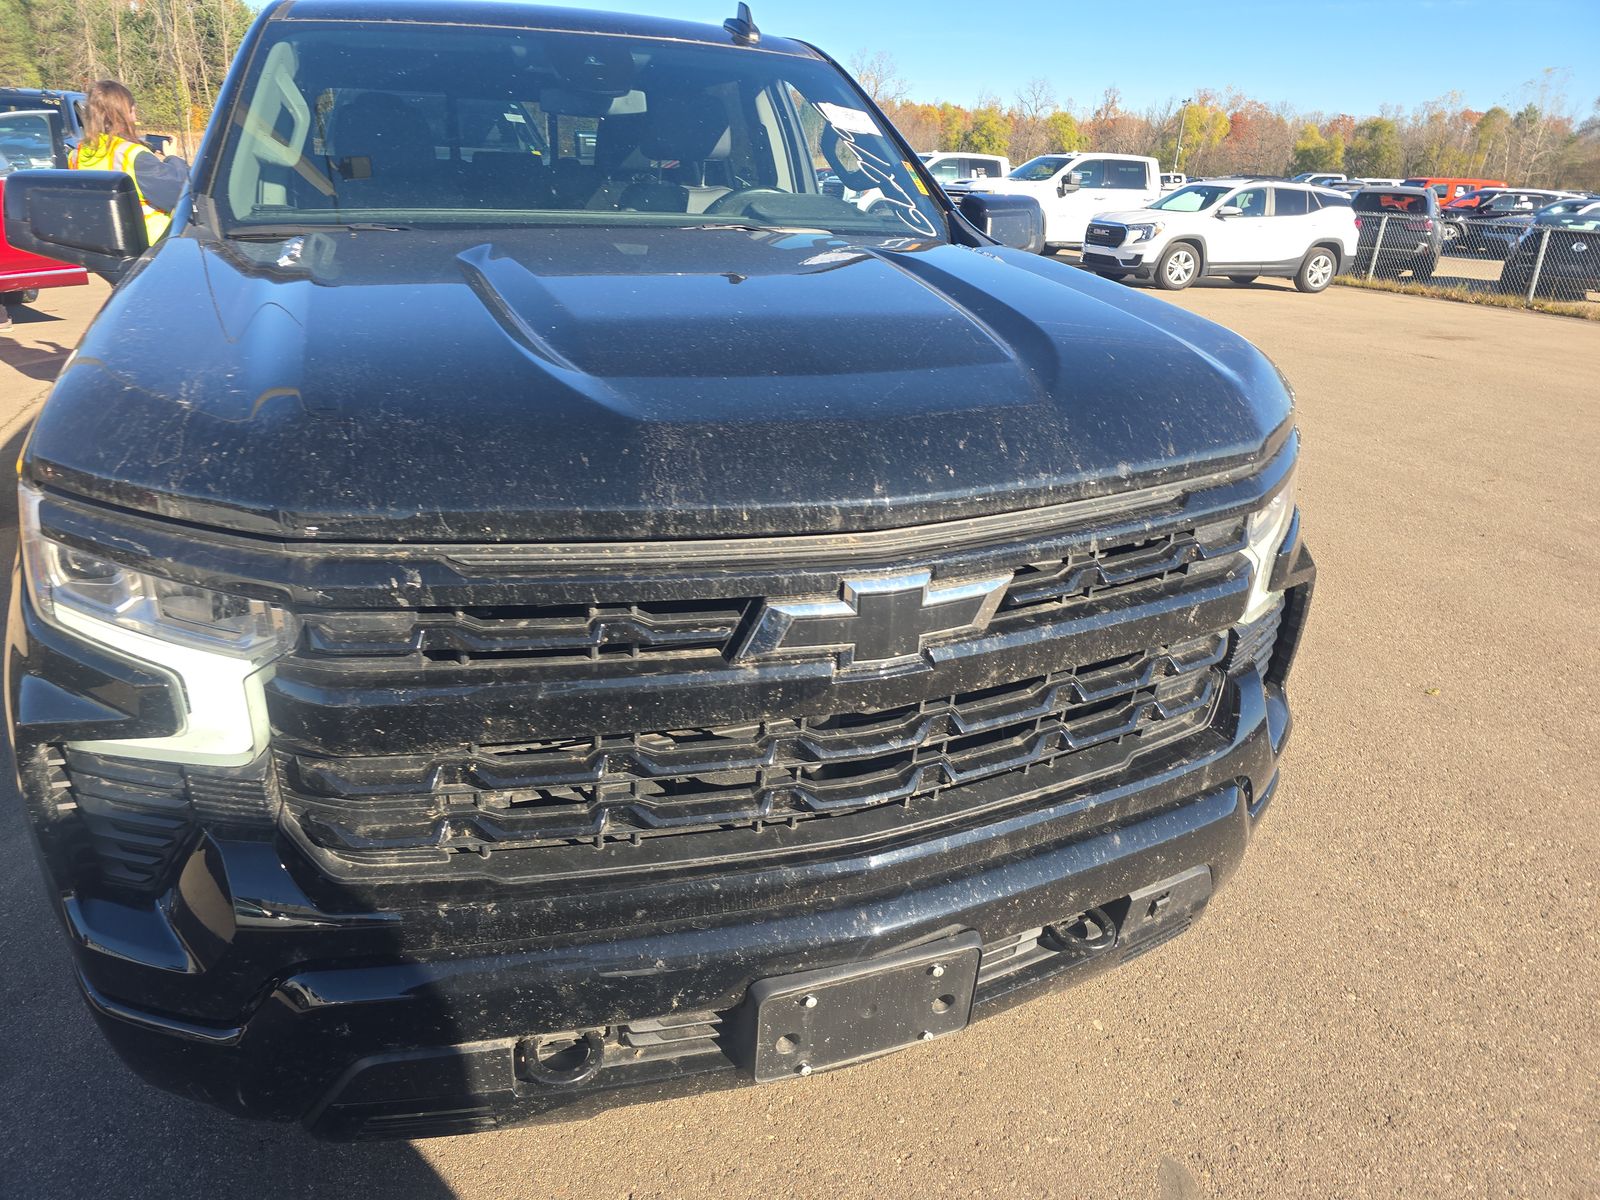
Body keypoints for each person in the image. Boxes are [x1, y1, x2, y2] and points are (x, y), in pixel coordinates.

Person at [69, 80, 188, 243]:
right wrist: (172, 158)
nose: (135, 117)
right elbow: (182, 193)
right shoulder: (133, 155)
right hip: (151, 250)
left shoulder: (76, 155)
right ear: (124, 115)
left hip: (104, 247)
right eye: (132, 111)